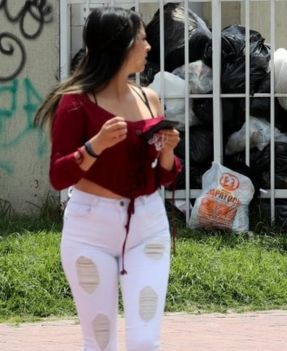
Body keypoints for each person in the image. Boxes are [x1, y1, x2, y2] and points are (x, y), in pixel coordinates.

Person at [34, 7, 181, 351]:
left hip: (148, 226)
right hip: (90, 230)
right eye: (143, 39)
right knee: (99, 342)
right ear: (123, 45)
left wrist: (167, 152)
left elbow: (165, 176)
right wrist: (95, 146)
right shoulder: (74, 103)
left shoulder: (150, 99)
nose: (148, 47)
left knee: (145, 342)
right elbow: (58, 176)